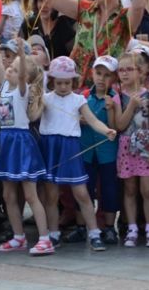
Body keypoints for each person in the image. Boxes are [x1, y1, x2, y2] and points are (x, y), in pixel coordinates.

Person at [38, 56, 117, 252]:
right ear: (52, 81)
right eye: (59, 82)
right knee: (51, 194)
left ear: (73, 82)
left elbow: (92, 120)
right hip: (51, 147)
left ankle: (94, 233)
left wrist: (106, 129)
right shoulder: (46, 99)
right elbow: (33, 115)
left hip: (71, 147)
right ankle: (53, 233)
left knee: (81, 193)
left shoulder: (78, 99)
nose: (63, 86)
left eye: (67, 82)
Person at [0, 42, 52, 255]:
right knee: (8, 195)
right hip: (5, 141)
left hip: (21, 142)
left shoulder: (23, 90)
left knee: (31, 194)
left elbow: (22, 74)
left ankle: (44, 238)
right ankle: (18, 236)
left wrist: (22, 58)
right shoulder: (5, 85)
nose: (9, 70)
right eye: (10, 67)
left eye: (14, 69)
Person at [42, 0, 145, 84]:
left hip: (106, 91)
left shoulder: (123, 17)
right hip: (76, 87)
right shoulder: (85, 8)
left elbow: (139, 6)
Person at [114, 51, 149, 248]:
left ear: (141, 72)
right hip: (126, 147)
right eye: (121, 70)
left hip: (147, 146)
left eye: (129, 69)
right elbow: (120, 125)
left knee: (148, 189)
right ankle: (132, 226)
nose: (124, 74)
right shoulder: (118, 97)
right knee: (130, 188)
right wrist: (131, 106)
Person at [81, 56, 120, 246]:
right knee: (84, 189)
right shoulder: (84, 96)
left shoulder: (115, 98)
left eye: (106, 75)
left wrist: (111, 109)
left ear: (113, 78)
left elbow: (115, 127)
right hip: (86, 149)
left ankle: (110, 227)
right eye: (98, 73)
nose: (101, 79)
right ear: (91, 74)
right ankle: (83, 226)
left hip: (107, 151)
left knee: (109, 188)